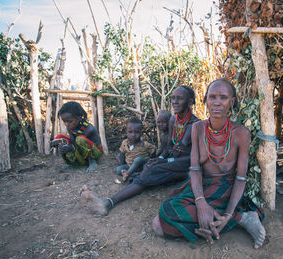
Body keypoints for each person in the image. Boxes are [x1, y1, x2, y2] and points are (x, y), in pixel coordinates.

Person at [152, 78, 266, 249]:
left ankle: (230, 217)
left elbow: (241, 178)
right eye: (212, 97)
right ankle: (241, 218)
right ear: (205, 101)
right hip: (200, 185)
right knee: (163, 215)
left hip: (225, 189)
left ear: (232, 102)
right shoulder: (197, 128)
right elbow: (195, 170)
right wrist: (201, 203)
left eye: (223, 97)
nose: (217, 102)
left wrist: (227, 212)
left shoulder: (241, 133)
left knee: (161, 225)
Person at [80, 85, 200, 215]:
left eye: (179, 98)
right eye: (173, 98)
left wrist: (165, 161)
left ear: (190, 101)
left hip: (185, 164)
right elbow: (169, 147)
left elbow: (192, 156)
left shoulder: (196, 125)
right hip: (172, 160)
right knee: (149, 165)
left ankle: (109, 202)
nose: (175, 102)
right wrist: (159, 159)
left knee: (150, 170)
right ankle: (108, 202)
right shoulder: (173, 120)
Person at [51, 101, 102, 172]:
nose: (66, 124)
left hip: (94, 154)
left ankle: (92, 162)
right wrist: (58, 143)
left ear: (79, 117)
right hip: (80, 154)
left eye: (69, 121)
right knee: (59, 138)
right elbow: (72, 142)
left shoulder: (89, 129)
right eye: (64, 121)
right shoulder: (70, 127)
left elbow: (79, 144)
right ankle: (72, 163)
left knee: (80, 139)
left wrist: (70, 147)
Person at [115, 117, 156, 184]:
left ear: (141, 133)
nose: (133, 135)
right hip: (129, 166)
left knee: (138, 160)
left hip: (142, 166)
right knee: (118, 169)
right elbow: (122, 154)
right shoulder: (125, 143)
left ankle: (129, 174)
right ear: (127, 132)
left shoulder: (145, 145)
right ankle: (133, 174)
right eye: (130, 132)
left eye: (136, 132)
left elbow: (154, 151)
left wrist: (150, 163)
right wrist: (122, 164)